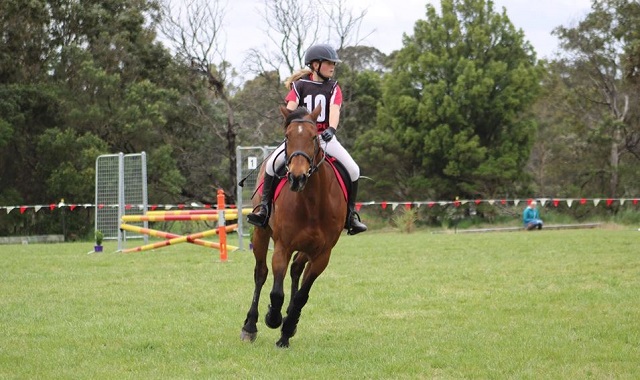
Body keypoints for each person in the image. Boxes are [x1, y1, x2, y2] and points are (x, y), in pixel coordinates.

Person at [247, 43, 367, 235]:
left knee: (354, 169)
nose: (333, 66)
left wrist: (331, 129)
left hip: (325, 138)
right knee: (270, 166)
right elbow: (291, 108)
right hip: (301, 140)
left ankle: (350, 216)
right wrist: (293, 127)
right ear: (315, 64)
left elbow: (334, 111)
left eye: (333, 63)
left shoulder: (334, 87)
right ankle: (264, 209)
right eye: (329, 63)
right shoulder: (300, 85)